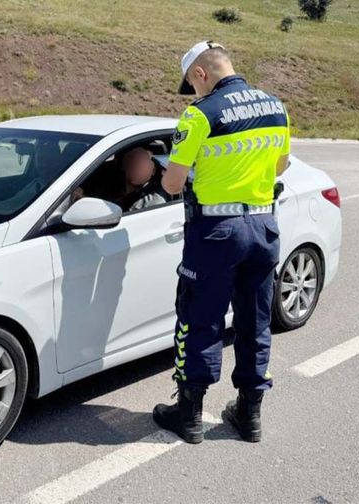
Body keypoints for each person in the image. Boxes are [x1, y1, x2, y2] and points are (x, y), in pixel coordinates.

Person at [152, 40, 291, 444]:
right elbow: (280, 164)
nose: (192, 93)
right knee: (255, 321)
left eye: (191, 84)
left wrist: (195, 171)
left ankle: (189, 415)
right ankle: (249, 416)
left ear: (200, 74)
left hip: (216, 233)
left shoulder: (199, 115)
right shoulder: (275, 106)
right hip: (264, 228)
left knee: (200, 319)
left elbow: (173, 182)